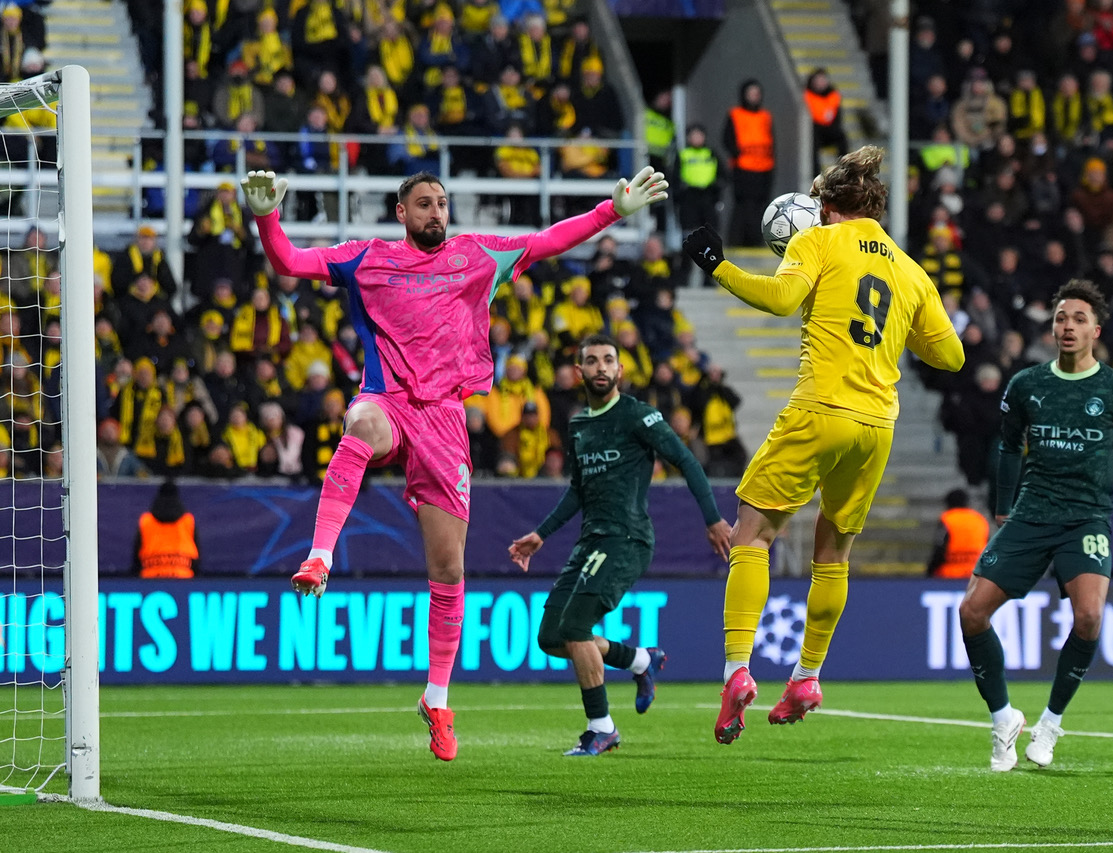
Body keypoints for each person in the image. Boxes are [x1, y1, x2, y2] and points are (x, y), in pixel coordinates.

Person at [240, 165, 668, 762]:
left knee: (448, 571)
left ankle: (436, 699)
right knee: (359, 424)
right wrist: (265, 216)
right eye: (423, 204)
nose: (435, 212)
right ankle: (319, 555)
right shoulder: (367, 259)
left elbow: (549, 240)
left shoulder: (478, 256)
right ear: (401, 213)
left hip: (445, 420)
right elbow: (288, 262)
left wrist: (611, 212)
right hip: (389, 401)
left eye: (441, 202)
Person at [682, 146, 965, 745]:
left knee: (752, 534)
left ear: (828, 206)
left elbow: (783, 300)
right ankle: (807, 676)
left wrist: (719, 267)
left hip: (821, 408)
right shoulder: (912, 271)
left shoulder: (817, 241)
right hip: (877, 428)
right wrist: (901, 331)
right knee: (833, 554)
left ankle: (736, 669)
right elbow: (952, 356)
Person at [959, 279, 1113, 772]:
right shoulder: (1027, 385)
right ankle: (1004, 718)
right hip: (1030, 513)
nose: (1067, 326)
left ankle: (1049, 724)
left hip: (1086, 519)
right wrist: (1002, 511)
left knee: (1089, 617)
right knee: (971, 613)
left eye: (1078, 319)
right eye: (1060, 318)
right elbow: (1007, 448)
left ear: (1096, 329)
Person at [508, 333, 732, 756]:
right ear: (579, 371)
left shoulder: (638, 416)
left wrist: (713, 519)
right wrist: (541, 534)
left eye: (608, 360)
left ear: (620, 370)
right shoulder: (578, 425)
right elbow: (577, 489)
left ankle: (602, 727)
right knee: (551, 637)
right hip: (590, 541)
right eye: (591, 361)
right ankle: (641, 661)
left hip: (626, 538)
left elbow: (684, 460)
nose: (600, 368)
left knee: (574, 629)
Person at [723, 79, 775, 247]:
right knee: (743, 207)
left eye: (757, 94)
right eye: (751, 93)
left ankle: (755, 242)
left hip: (764, 167)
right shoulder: (735, 114)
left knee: (760, 206)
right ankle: (737, 242)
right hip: (743, 167)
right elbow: (727, 139)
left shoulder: (765, 116)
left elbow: (772, 142)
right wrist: (737, 153)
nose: (754, 97)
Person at [132, 480, 201, 579]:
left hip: (150, 579)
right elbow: (197, 557)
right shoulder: (187, 521)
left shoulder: (146, 521)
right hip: (182, 577)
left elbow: (136, 557)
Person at [926, 488, 989, 578]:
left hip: (949, 575)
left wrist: (930, 571)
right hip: (975, 573)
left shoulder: (947, 519)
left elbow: (940, 548)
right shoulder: (979, 519)